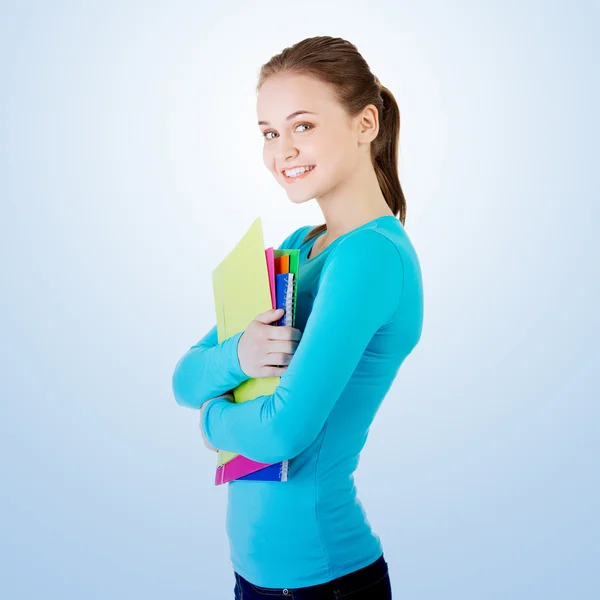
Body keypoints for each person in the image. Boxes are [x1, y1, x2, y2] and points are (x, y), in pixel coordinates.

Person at [172, 35, 424, 600]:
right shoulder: (298, 246)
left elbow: (283, 432)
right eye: (269, 133)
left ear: (366, 124)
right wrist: (238, 357)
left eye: (302, 126)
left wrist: (212, 421)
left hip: (323, 583)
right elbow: (184, 377)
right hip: (259, 579)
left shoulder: (371, 256)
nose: (281, 150)